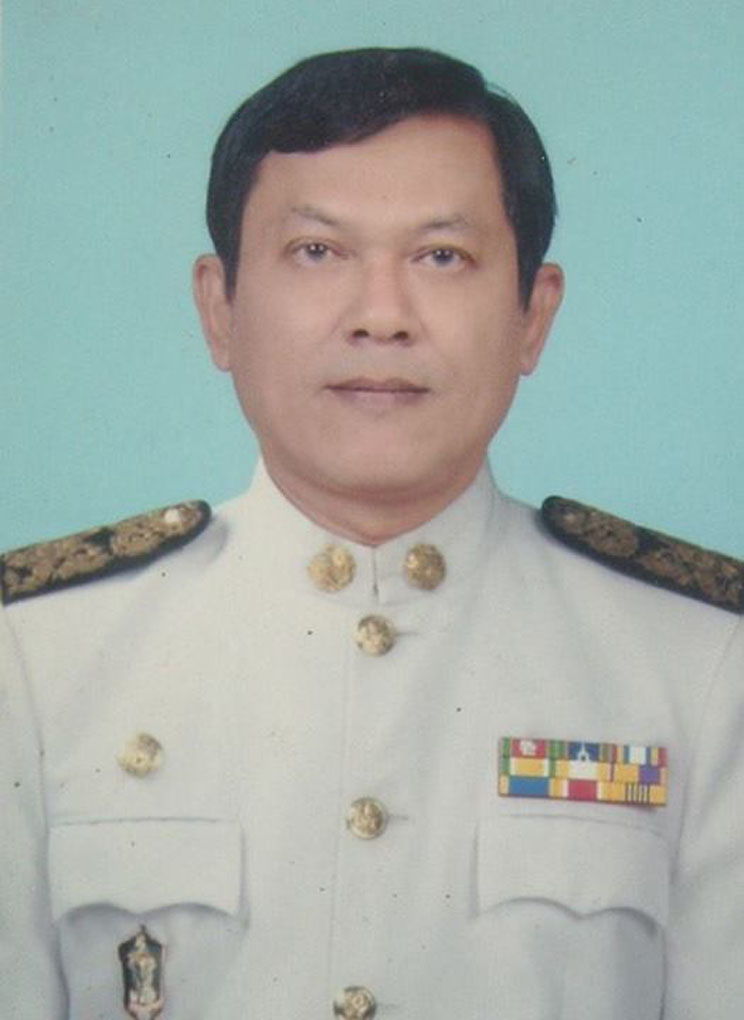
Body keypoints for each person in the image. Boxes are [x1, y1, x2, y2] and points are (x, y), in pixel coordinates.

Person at [1, 47, 743, 1020]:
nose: (382, 318)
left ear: (533, 316)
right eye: (318, 252)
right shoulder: (36, 660)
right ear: (220, 309)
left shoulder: (701, 663)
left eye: (442, 257)